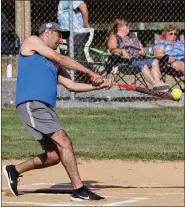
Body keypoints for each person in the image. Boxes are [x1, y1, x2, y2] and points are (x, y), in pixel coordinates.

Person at [2, 22, 112, 201]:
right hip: (32, 103)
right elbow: (62, 59)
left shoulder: (53, 61)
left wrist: (97, 86)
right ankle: (78, 189)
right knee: (64, 141)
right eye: (59, 35)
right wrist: (91, 72)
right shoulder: (32, 42)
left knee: (53, 156)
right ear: (47, 32)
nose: (61, 39)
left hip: (46, 107)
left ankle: (14, 170)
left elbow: (71, 85)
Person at [106, 18, 170, 90]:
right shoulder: (114, 36)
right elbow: (112, 50)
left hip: (139, 58)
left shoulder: (132, 35)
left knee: (155, 61)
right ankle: (155, 83)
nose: (129, 27)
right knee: (142, 64)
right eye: (127, 25)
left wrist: (142, 51)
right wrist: (122, 51)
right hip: (126, 62)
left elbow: (141, 48)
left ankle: (159, 83)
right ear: (119, 26)